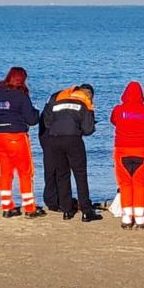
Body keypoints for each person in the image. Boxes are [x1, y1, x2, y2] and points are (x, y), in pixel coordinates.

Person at [0, 67, 45, 219]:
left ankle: (7, 206)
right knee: (25, 172)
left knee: (5, 173)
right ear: (22, 80)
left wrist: (3, 117)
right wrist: (36, 111)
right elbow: (32, 120)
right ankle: (29, 208)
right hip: (16, 136)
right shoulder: (20, 95)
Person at [42, 84, 102, 222]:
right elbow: (88, 129)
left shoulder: (58, 97)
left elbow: (47, 121)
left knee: (62, 175)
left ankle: (67, 210)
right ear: (88, 94)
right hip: (73, 139)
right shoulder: (84, 102)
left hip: (55, 139)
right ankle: (86, 211)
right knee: (80, 175)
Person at [110, 81, 144, 230]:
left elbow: (113, 121)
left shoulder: (119, 109)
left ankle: (126, 217)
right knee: (140, 184)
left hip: (122, 150)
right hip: (142, 150)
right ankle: (140, 217)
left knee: (125, 184)